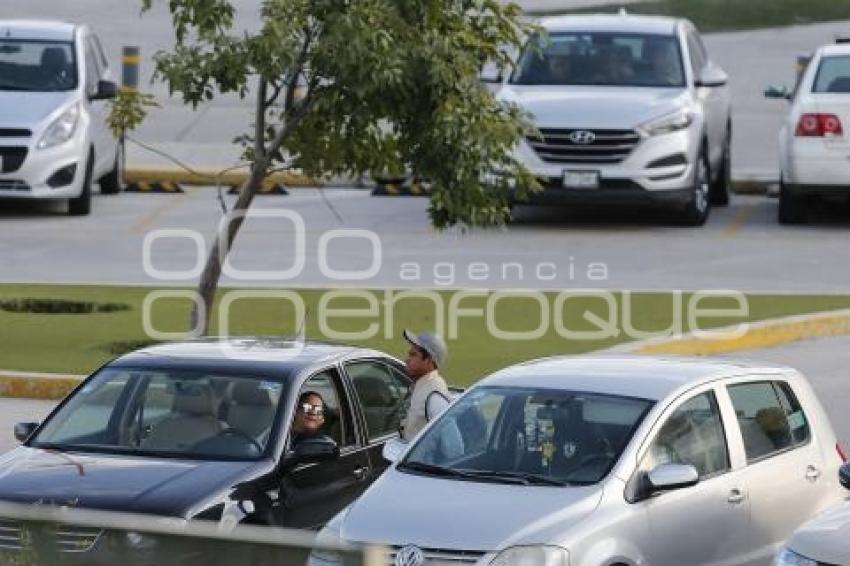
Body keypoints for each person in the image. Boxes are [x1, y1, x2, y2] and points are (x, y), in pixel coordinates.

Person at [400, 329, 450, 441]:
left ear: (429, 360)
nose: (407, 360)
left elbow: (453, 444)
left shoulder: (435, 393)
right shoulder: (422, 385)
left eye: (413, 355)